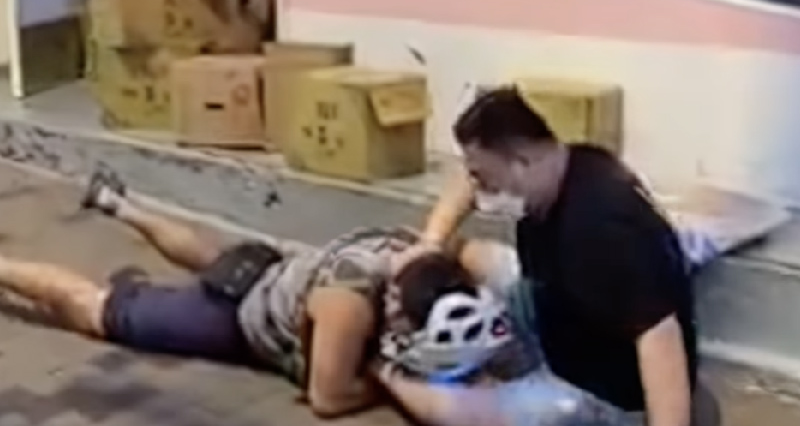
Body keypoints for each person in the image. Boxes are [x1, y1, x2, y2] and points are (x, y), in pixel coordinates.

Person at [0, 170, 507, 418]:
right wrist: (386, 374)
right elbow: (328, 399)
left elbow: (467, 177)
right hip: (239, 315)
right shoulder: (349, 306)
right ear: (396, 310)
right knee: (96, 309)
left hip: (280, 270)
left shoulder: (424, 251)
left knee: (215, 260)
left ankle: (118, 204)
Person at [373, 86, 699, 426]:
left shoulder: (602, 228)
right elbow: (467, 177)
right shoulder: (570, 161)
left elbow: (659, 336)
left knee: (462, 411)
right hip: (558, 310)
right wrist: (431, 242)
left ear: (521, 162)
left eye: (486, 179)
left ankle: (383, 374)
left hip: (602, 390)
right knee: (469, 253)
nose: (480, 190)